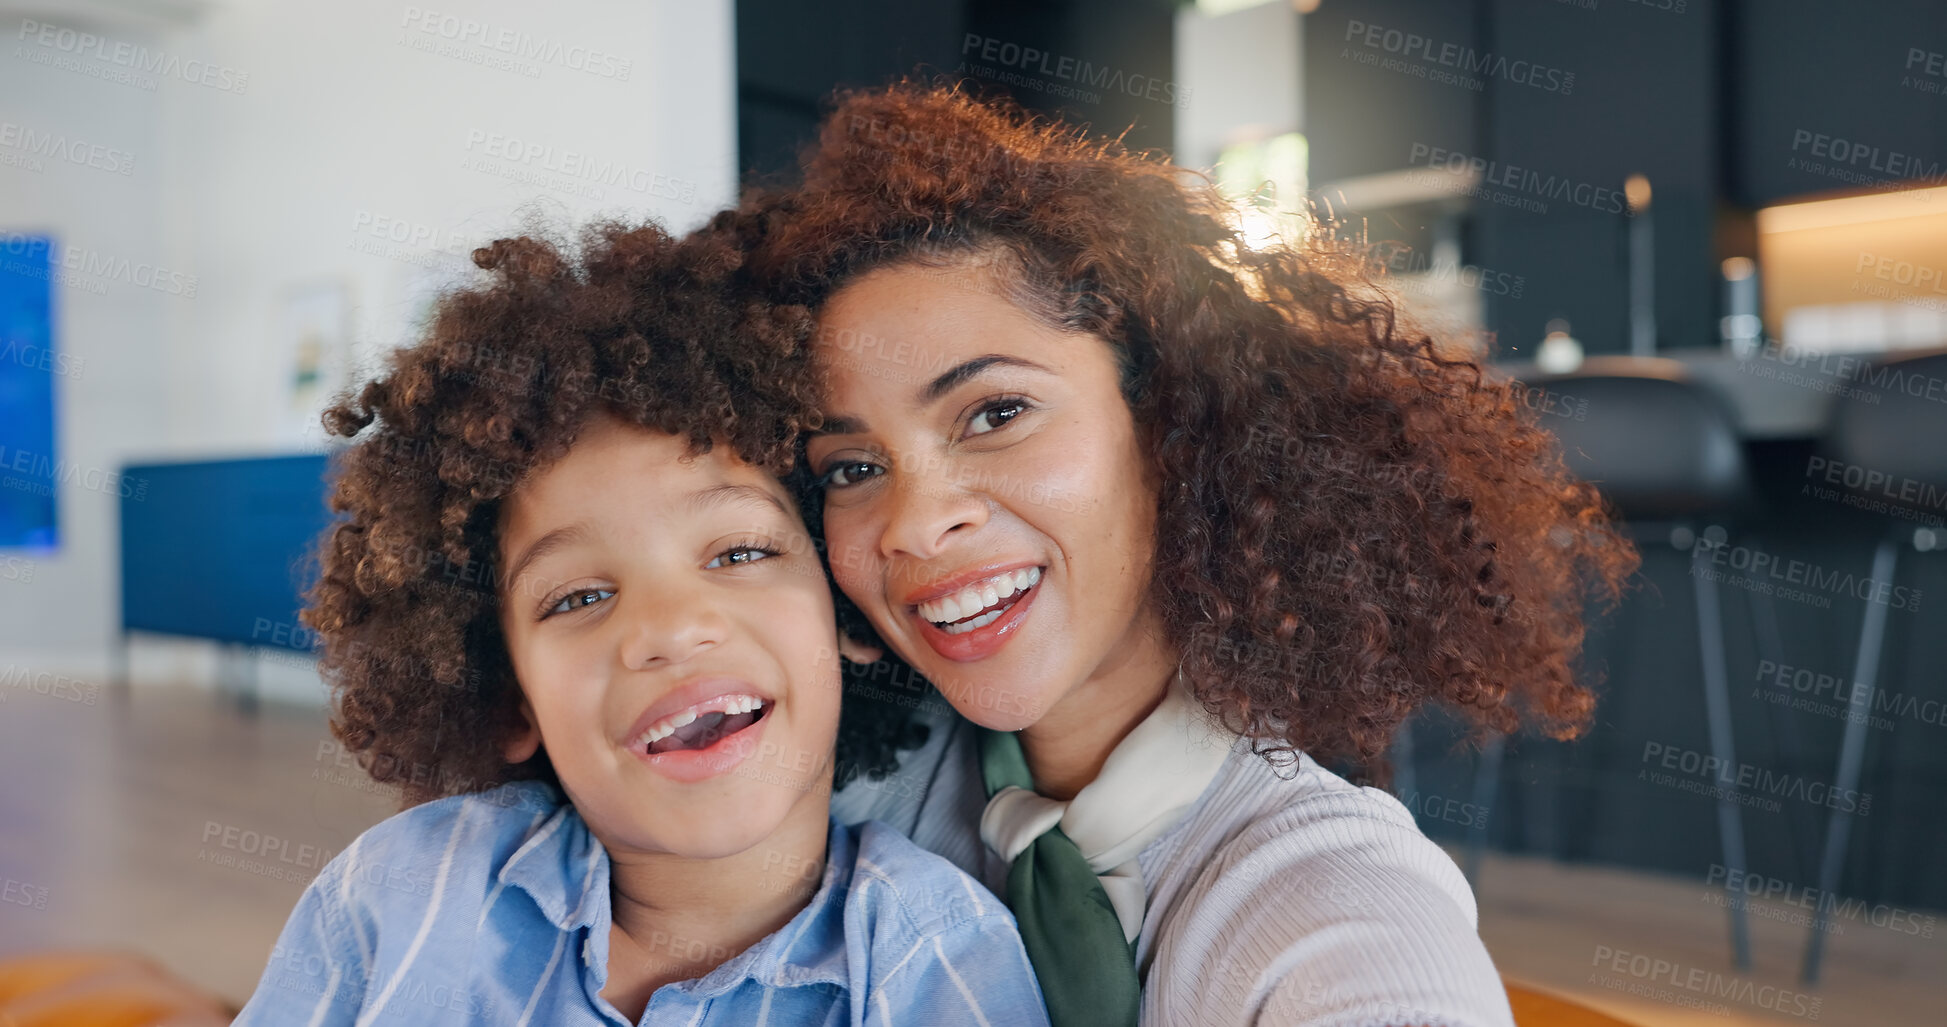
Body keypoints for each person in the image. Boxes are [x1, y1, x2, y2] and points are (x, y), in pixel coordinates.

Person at [730, 83, 1640, 1026]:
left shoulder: (1335, 901)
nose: (914, 524)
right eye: (852, 467)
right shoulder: (830, 803)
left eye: (996, 414)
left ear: (1175, 429)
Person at [231, 221, 1049, 1026]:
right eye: (577, 597)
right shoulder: (396, 893)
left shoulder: (933, 956)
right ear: (508, 693)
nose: (671, 626)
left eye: (736, 553)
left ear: (840, 607)